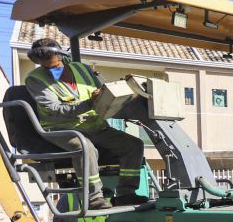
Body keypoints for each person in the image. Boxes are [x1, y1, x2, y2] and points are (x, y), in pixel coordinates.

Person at [25, 38, 147, 209]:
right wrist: (89, 103)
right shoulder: (35, 79)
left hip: (94, 125)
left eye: (53, 65)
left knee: (133, 145)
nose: (51, 70)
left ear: (61, 56)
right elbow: (55, 109)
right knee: (85, 147)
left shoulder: (82, 69)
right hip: (62, 129)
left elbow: (101, 91)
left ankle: (126, 193)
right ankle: (94, 198)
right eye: (45, 66)